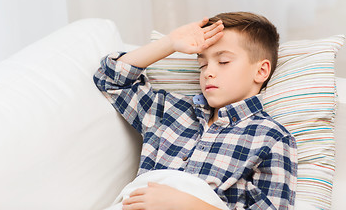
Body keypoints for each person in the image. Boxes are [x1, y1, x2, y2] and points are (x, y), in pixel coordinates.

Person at [93, 12, 297, 210]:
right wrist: (170, 43)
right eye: (202, 65)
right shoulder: (169, 110)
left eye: (223, 62)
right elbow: (109, 79)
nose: (208, 72)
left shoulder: (272, 137)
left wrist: (188, 205)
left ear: (261, 71)